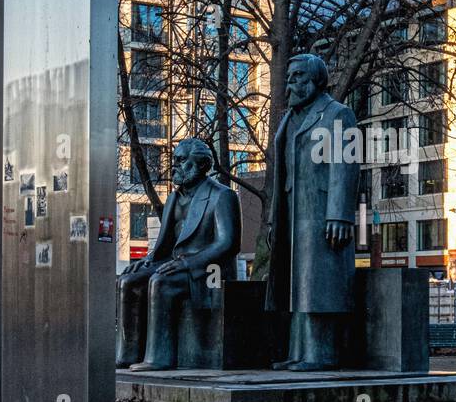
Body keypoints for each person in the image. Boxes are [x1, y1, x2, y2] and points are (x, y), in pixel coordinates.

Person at [265, 53, 360, 370]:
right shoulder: (289, 119)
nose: (290, 83)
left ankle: (322, 354)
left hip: (321, 213)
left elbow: (345, 166)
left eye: (298, 77)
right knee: (296, 285)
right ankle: (299, 351)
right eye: (289, 76)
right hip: (292, 213)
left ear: (317, 81)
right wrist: (273, 219)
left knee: (317, 285)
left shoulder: (338, 114)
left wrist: (340, 214)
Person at [116, 139, 241, 370]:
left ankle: (159, 357)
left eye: (182, 160)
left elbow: (228, 244)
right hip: (177, 264)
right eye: (174, 160)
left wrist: (188, 264)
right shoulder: (174, 198)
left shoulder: (222, 196)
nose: (175, 166)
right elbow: (165, 246)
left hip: (207, 269)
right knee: (128, 281)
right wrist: (146, 261)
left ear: (203, 164)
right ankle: (127, 354)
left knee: (160, 282)